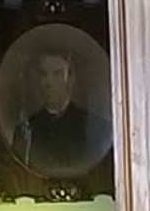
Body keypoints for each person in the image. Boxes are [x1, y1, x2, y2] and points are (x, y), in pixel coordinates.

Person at [16, 45, 96, 178]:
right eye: (43, 74)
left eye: (57, 74)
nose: (48, 82)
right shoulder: (25, 129)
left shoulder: (93, 125)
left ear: (70, 79)